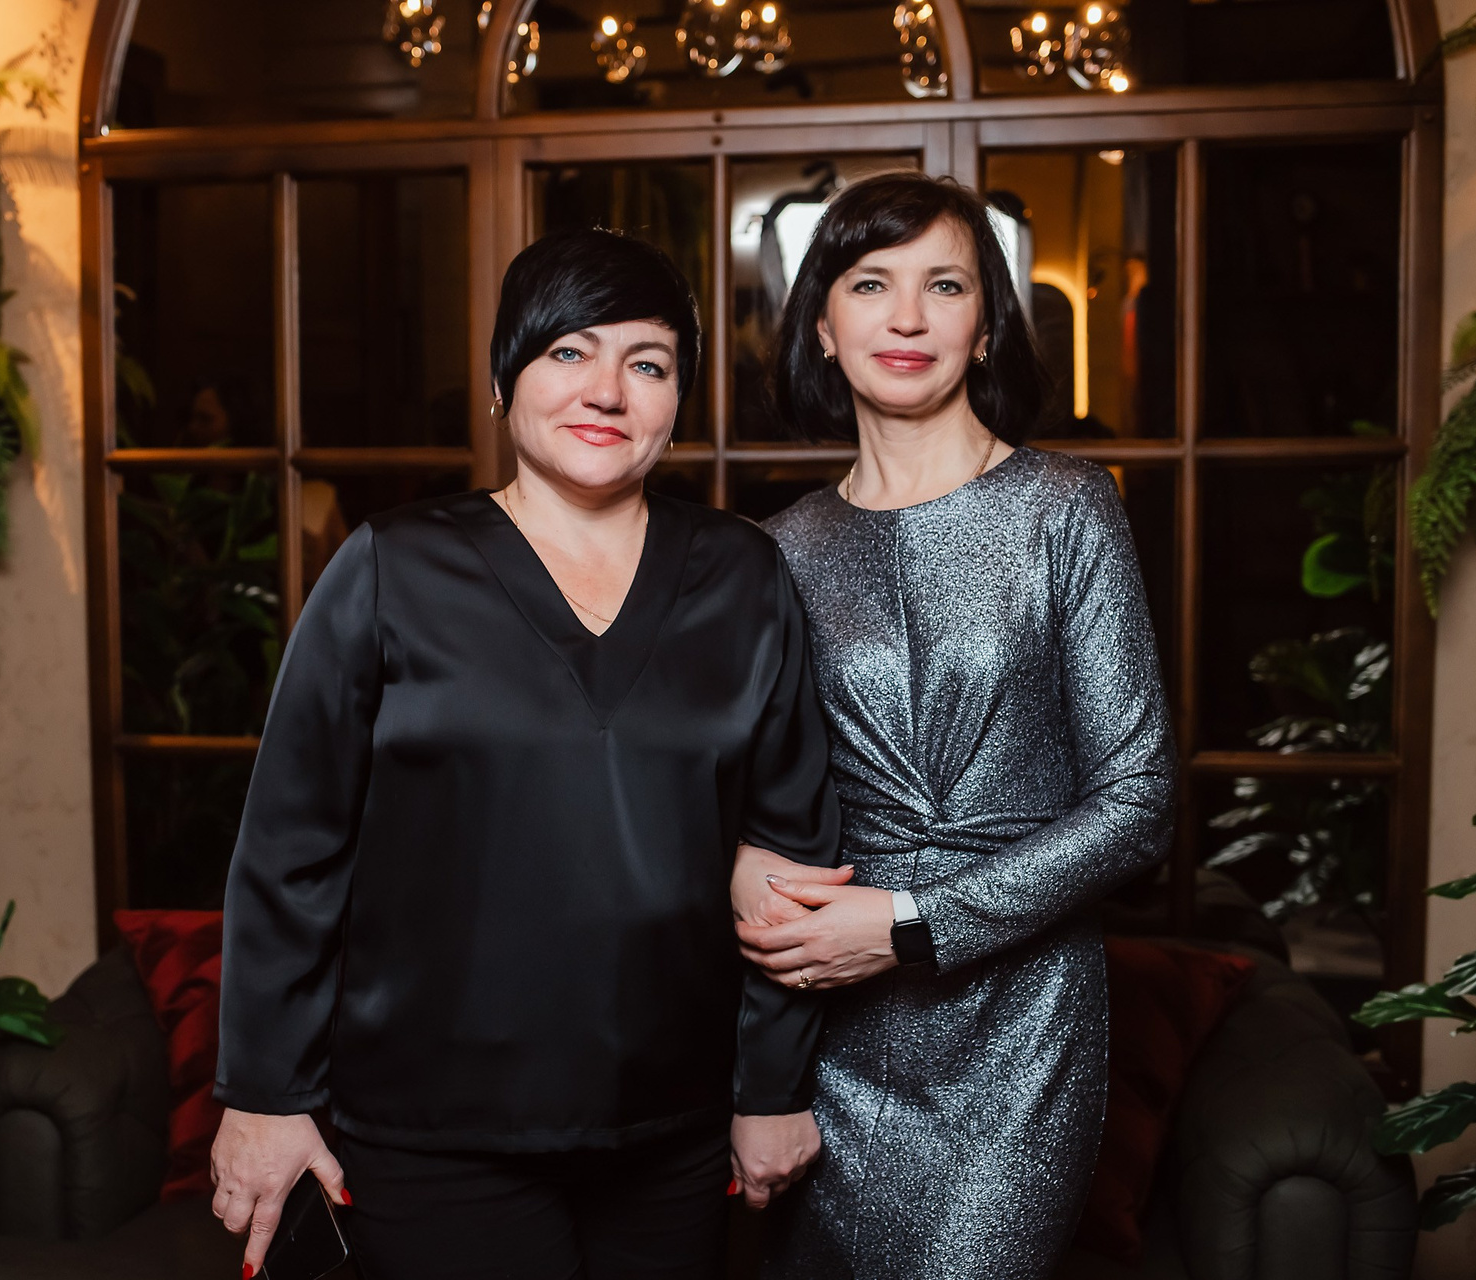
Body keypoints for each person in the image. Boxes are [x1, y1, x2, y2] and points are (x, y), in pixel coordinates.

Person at [208, 228, 842, 1280]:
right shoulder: (390, 567)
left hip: (673, 1130)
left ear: (678, 400)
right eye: (568, 351)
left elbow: (789, 843)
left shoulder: (744, 575)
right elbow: (290, 848)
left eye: (648, 364)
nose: (608, 390)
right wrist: (266, 1092)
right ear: (504, 378)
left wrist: (771, 1085)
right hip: (429, 1131)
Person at [732, 172, 1175, 1279]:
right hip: (831, 1026)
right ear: (822, 326)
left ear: (986, 328)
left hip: (1017, 1027)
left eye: (945, 286)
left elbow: (1138, 803)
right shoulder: (777, 549)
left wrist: (909, 922)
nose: (908, 317)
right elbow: (754, 798)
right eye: (869, 284)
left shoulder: (1067, 507)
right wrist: (744, 868)